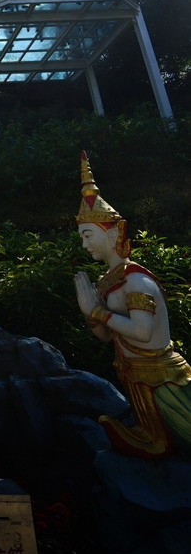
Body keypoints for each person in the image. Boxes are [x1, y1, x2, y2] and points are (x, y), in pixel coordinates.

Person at [73, 151, 191, 459]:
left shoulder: (136, 282)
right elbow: (108, 336)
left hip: (163, 380)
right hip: (136, 378)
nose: (85, 245)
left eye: (88, 235)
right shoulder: (110, 281)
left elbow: (140, 331)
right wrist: (91, 315)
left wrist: (98, 311)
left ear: (112, 232)